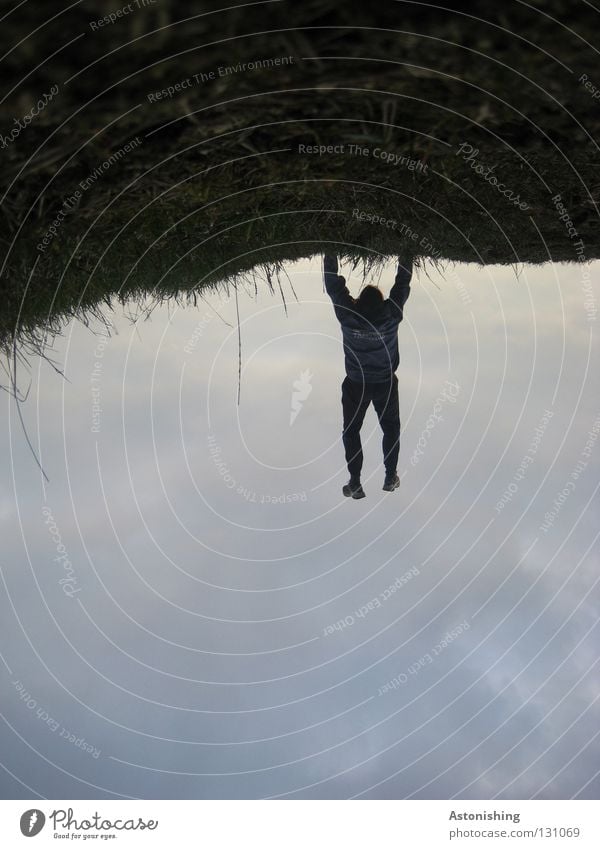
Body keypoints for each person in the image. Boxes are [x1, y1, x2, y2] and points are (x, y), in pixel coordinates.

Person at [323, 253, 413, 498]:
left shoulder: (349, 315)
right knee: (390, 428)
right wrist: (407, 251)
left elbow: (332, 286)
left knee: (352, 431)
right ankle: (389, 475)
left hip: (356, 384)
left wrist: (328, 250)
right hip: (383, 383)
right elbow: (402, 284)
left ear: (357, 300)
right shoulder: (390, 315)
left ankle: (354, 480)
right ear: (382, 302)